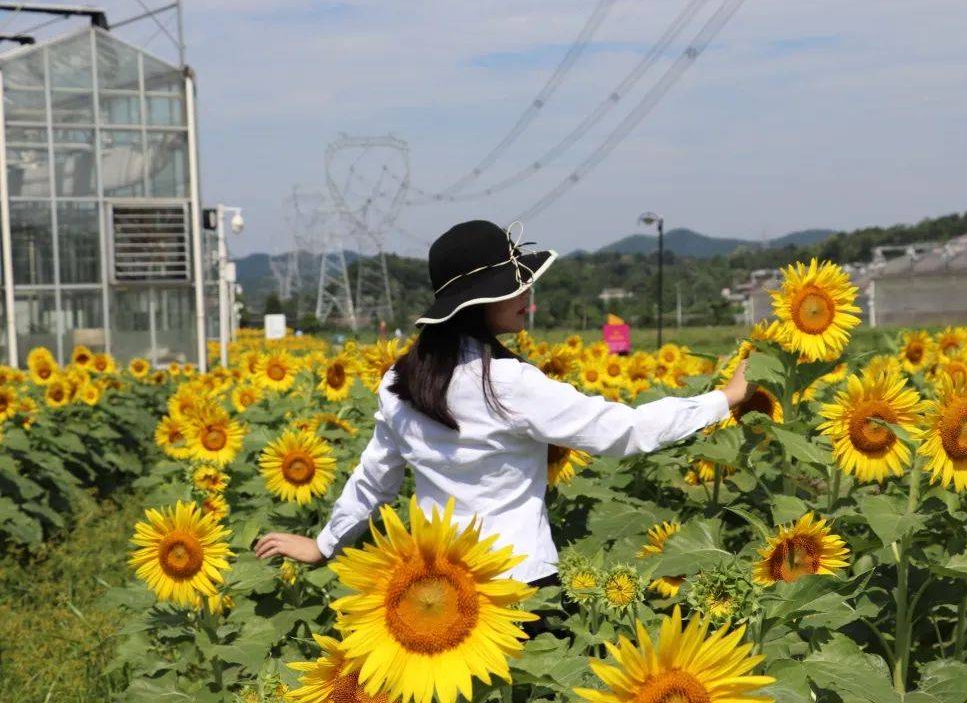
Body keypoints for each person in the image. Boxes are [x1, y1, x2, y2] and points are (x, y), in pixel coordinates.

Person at [254, 220, 750, 588]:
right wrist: (723, 399)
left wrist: (324, 544)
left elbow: (375, 479)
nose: (526, 293)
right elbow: (625, 432)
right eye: (512, 286)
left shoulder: (399, 380)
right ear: (474, 304)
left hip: (438, 588)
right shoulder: (507, 382)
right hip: (518, 586)